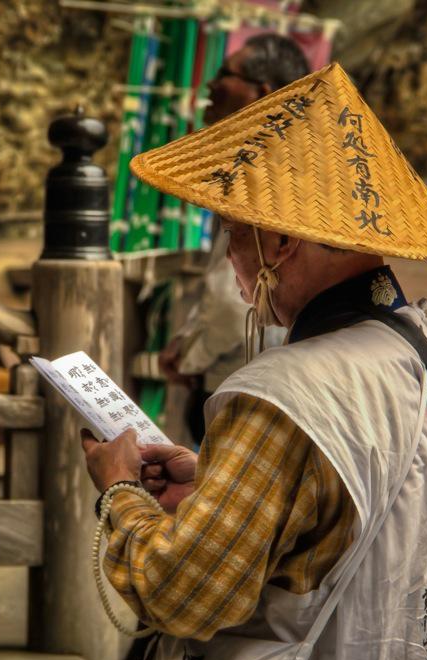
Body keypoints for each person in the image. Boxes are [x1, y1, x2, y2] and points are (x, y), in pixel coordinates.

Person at [82, 63, 427, 660]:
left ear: (281, 244)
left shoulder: (281, 394)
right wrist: (216, 482)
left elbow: (180, 592)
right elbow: (423, 513)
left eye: (232, 232)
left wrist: (120, 487)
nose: (230, 258)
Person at [160, 34, 310, 443]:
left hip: (246, 382)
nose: (210, 86)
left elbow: (232, 304)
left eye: (224, 75)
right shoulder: (254, 168)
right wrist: (187, 340)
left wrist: (192, 356)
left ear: (261, 93)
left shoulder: (272, 175)